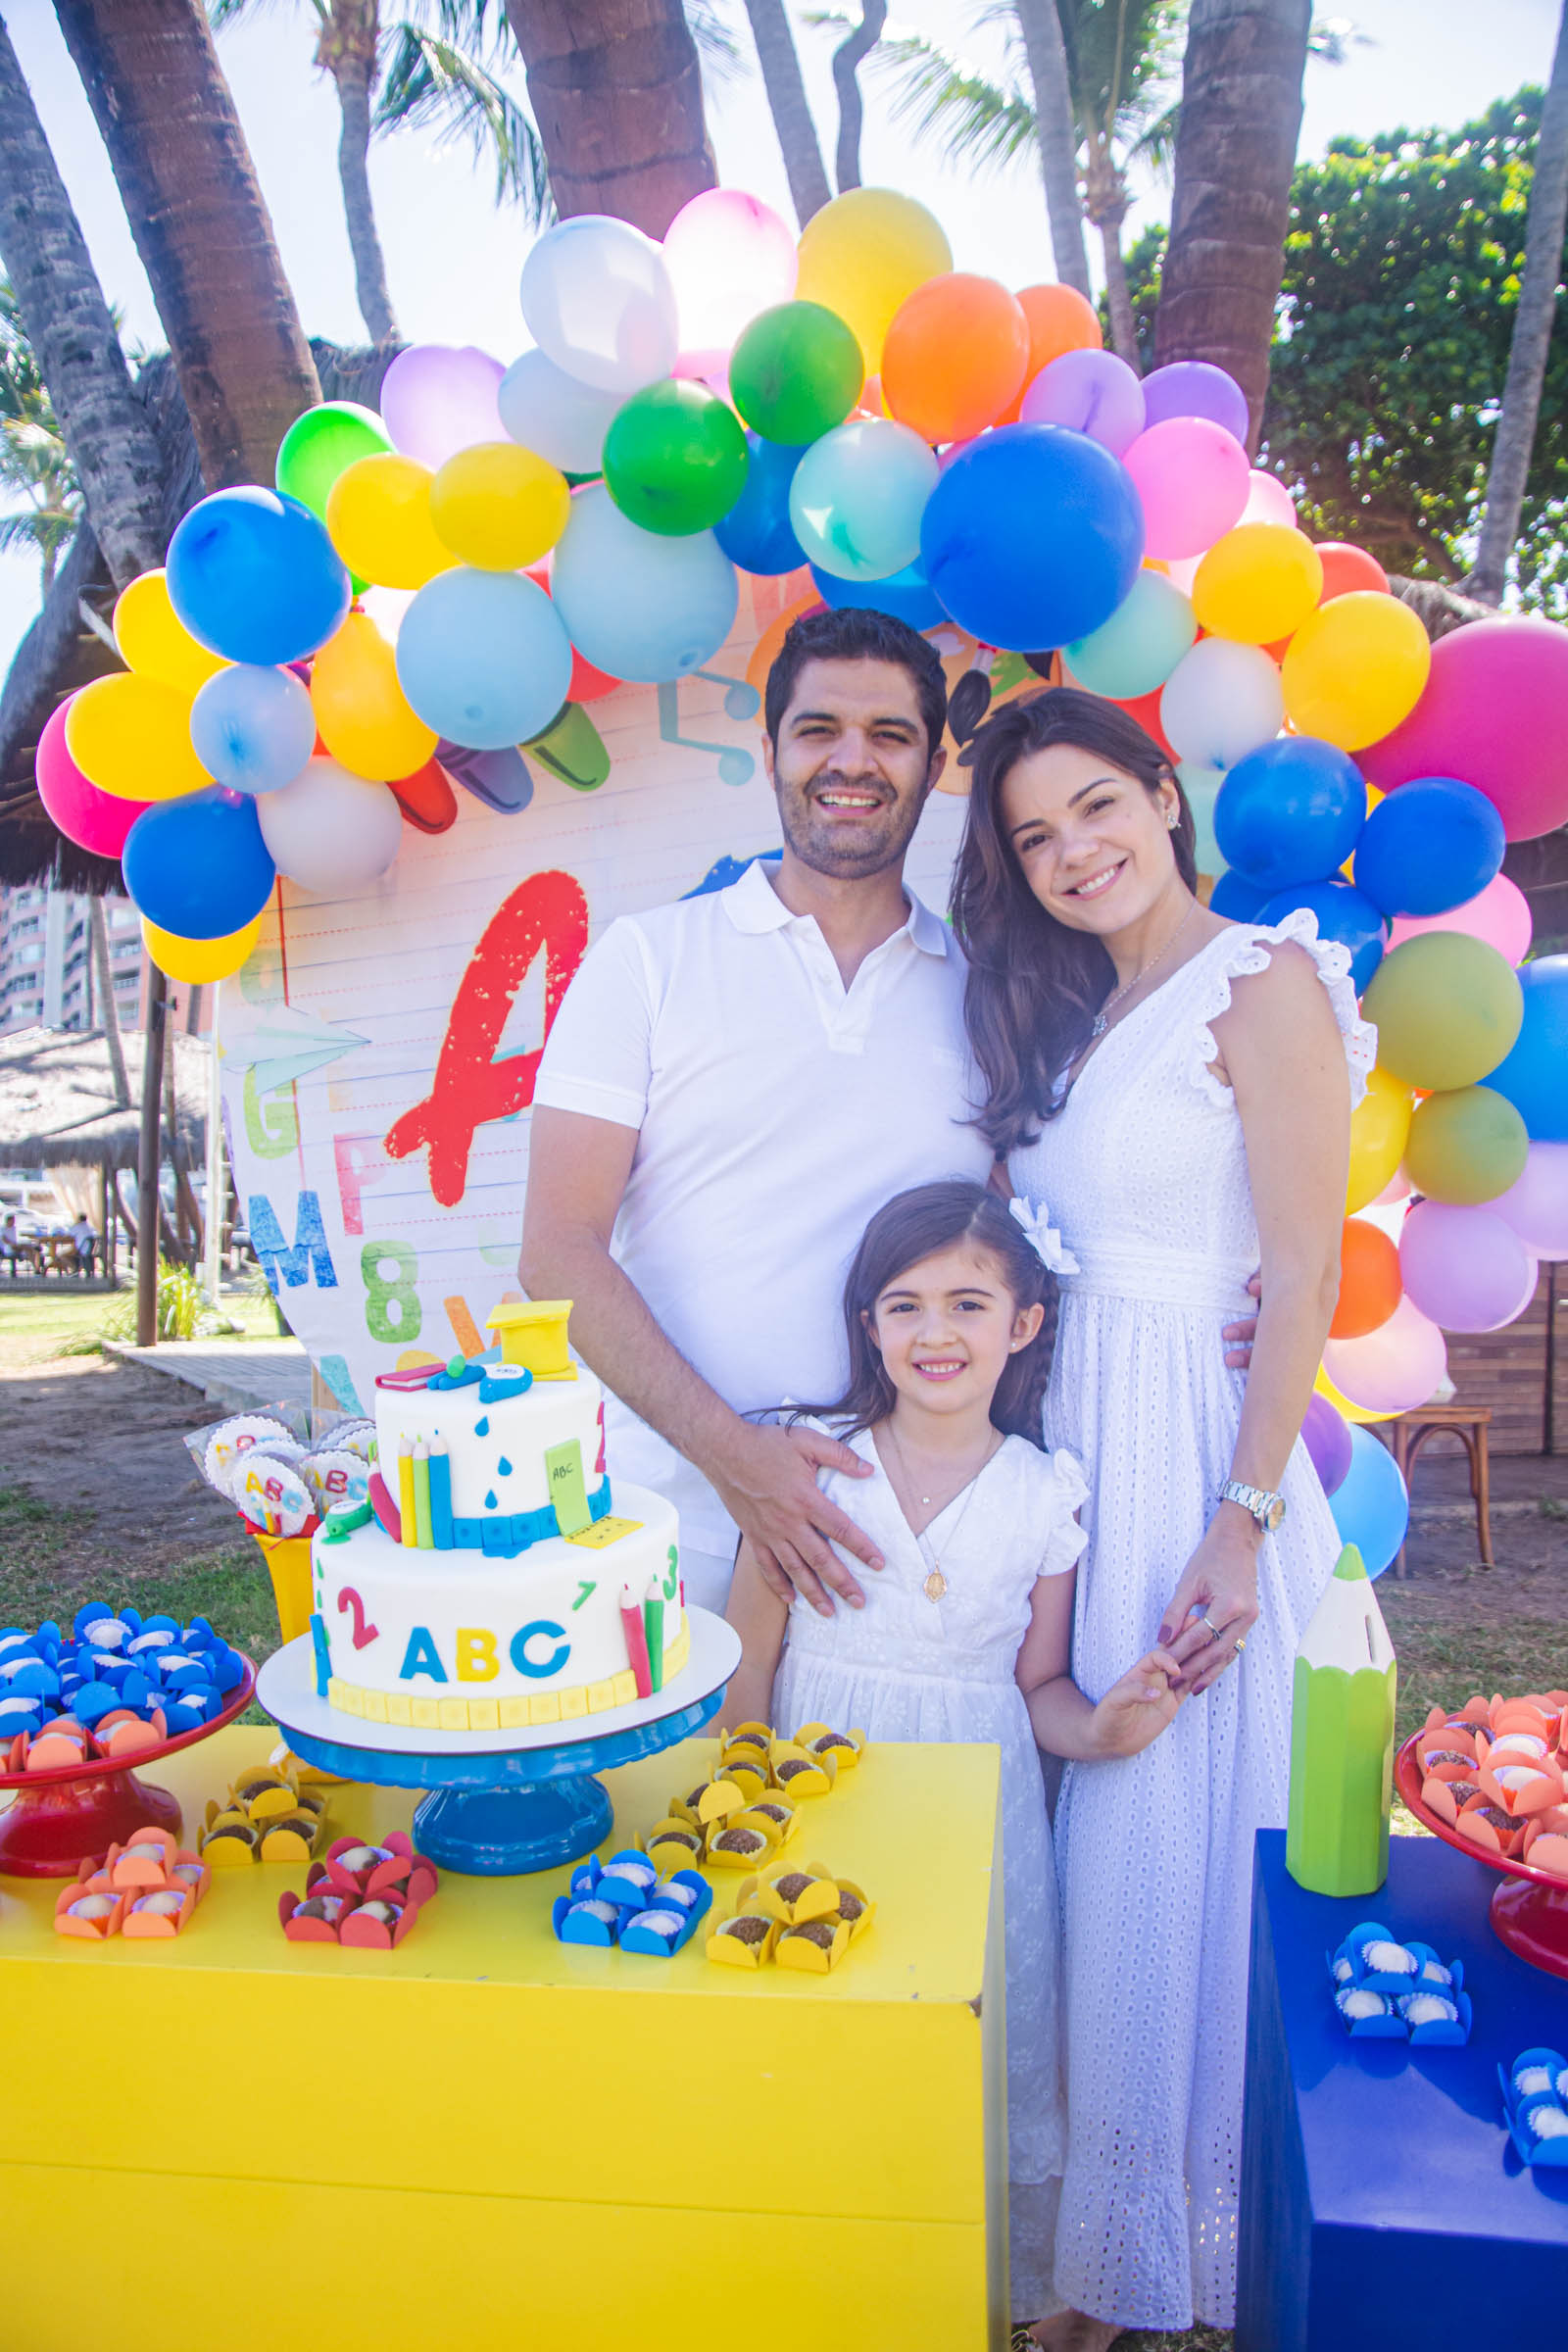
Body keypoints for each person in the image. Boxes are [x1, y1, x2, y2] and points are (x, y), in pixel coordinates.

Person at [951, 688, 1370, 2349]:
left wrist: (1240, 1521)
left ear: (1162, 796)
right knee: (1091, 1819)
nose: (1074, 854)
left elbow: (1304, 1273)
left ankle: (1150, 2258)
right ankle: (1104, 2230)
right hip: (1085, 1449)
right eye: (1035, 838)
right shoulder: (1073, 1014)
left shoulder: (1263, 982)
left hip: (1198, 1460)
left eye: (1096, 809)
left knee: (1166, 1830)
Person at [721, 1179, 1184, 2326]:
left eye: (968, 1304)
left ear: (1022, 1324)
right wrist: (746, 1804)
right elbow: (747, 1666)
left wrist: (1101, 1729)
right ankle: (819, 2270)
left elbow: (1037, 1687)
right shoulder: (806, 1466)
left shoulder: (1043, 1492)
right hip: (824, 1800)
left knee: (965, 2035)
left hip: (975, 1830)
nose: (936, 1332)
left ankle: (955, 2286)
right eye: (905, 1305)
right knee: (825, 2022)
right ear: (868, 1325)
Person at [521, 606, 995, 1616]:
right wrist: (736, 1460)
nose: (852, 761)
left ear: (934, 763)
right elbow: (556, 1251)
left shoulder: (987, 995)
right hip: (664, 1524)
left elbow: (1035, 1228)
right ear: (771, 750)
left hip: (903, 1547)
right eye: (819, 730)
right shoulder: (646, 960)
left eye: (890, 735)